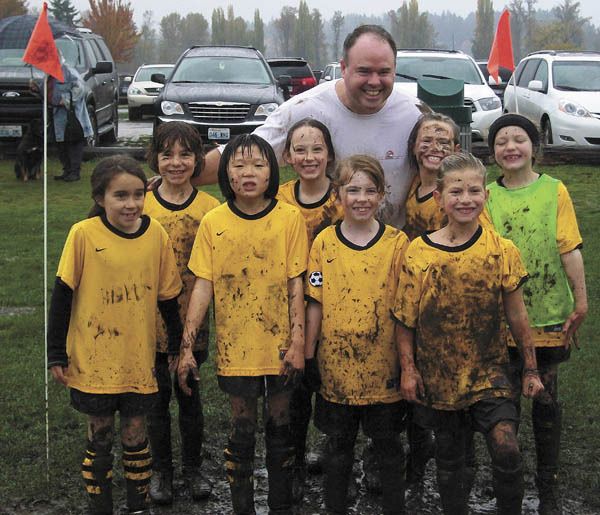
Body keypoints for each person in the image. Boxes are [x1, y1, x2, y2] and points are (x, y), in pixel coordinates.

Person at [393, 152, 544, 515]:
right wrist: (409, 369)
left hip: (490, 372)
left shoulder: (501, 250)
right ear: (439, 198)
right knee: (449, 458)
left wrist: (530, 367)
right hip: (439, 374)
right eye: (456, 192)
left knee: (507, 448)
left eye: (474, 191)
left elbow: (517, 314)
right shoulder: (419, 252)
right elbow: (404, 319)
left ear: (485, 196)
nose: (465, 199)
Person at [175, 24, 421, 229]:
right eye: (364, 71)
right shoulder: (306, 109)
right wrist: (181, 178)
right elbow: (249, 153)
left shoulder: (414, 115)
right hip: (325, 254)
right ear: (343, 68)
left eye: (384, 72)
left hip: (393, 250)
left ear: (395, 70)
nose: (374, 82)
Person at [177, 134, 309, 515]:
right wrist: (187, 347)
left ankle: (281, 504)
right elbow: (203, 285)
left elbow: (295, 282)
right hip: (237, 348)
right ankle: (242, 506)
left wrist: (297, 341)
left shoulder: (289, 219)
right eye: (238, 165)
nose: (248, 173)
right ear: (226, 173)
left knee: (280, 426)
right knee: (242, 428)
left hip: (281, 345)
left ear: (272, 171)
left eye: (258, 165)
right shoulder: (214, 222)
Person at [46, 155, 183, 515]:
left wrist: (177, 345)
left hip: (137, 359)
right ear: (101, 198)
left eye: (138, 194)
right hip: (94, 359)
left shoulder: (156, 235)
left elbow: (169, 298)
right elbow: (62, 297)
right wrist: (56, 353)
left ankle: (138, 505)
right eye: (120, 195)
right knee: (100, 435)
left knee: (136, 435)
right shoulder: (83, 235)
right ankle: (100, 506)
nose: (131, 203)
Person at [483, 114, 588, 515]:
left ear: (533, 147)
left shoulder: (554, 190)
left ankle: (550, 490)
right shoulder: (487, 196)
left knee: (545, 403)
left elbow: (569, 247)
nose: (510, 147)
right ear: (493, 152)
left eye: (519, 139)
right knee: (504, 408)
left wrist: (580, 300)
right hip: (501, 324)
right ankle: (507, 484)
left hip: (548, 317)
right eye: (502, 141)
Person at [305, 155, 409, 515]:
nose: (361, 198)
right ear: (338, 195)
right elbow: (314, 303)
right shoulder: (323, 244)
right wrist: (308, 355)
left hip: (386, 369)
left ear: (382, 195)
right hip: (336, 367)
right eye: (353, 190)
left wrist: (408, 362)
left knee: (389, 448)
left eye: (370, 190)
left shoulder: (398, 244)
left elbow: (405, 310)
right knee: (338, 449)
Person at [143, 122, 220, 505]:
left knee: (189, 396)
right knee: (156, 400)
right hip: (148, 326)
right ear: (154, 157)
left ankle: (193, 468)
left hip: (193, 324)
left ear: (198, 159)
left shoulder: (210, 209)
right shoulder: (141, 203)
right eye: (167, 154)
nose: (176, 162)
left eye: (186, 154)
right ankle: (161, 471)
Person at [278, 117, 344, 501]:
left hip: (338, 309)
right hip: (289, 310)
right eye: (300, 149)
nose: (309, 157)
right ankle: (297, 461)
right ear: (287, 155)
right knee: (296, 393)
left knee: (334, 390)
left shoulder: (344, 197)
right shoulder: (280, 198)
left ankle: (342, 460)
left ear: (330, 154)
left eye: (316, 149)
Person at [32, 58, 93, 182]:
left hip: (71, 116)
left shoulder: (69, 72)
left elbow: (80, 89)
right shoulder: (48, 75)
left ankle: (74, 172)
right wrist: (36, 89)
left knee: (73, 143)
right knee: (60, 144)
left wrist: (65, 100)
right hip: (55, 116)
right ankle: (67, 170)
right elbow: (47, 94)